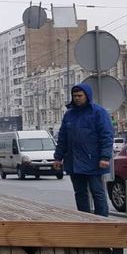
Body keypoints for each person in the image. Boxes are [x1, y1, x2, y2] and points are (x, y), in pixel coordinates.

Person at [52, 83, 113, 216]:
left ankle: (102, 222)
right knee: (80, 193)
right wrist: (58, 157)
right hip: (74, 162)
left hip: (94, 161)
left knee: (97, 192)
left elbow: (106, 136)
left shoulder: (98, 112)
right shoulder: (69, 115)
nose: (77, 98)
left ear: (87, 96)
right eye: (74, 96)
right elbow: (63, 138)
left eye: (80, 95)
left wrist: (105, 157)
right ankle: (84, 219)